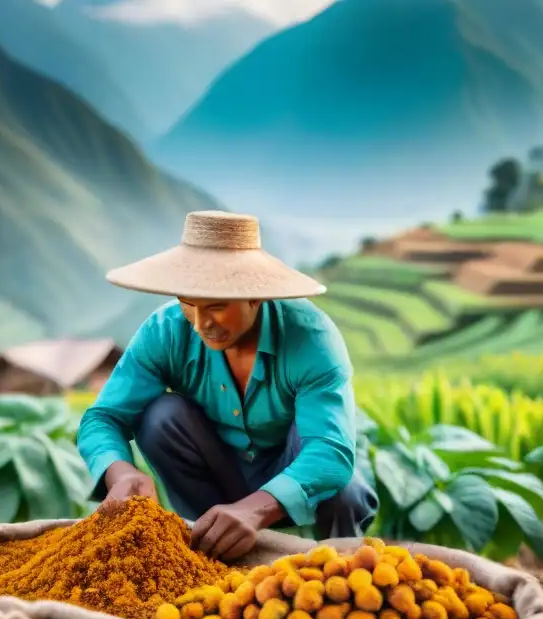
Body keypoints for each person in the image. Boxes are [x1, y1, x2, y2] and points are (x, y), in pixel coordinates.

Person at [76, 210, 378, 561]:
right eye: (188, 304)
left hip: (291, 465)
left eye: (218, 307)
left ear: (256, 297)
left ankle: (343, 569)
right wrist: (120, 471)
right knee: (161, 415)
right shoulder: (164, 332)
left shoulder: (311, 340)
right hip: (218, 470)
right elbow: (102, 418)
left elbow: (330, 453)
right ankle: (203, 550)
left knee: (342, 488)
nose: (203, 323)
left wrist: (255, 509)